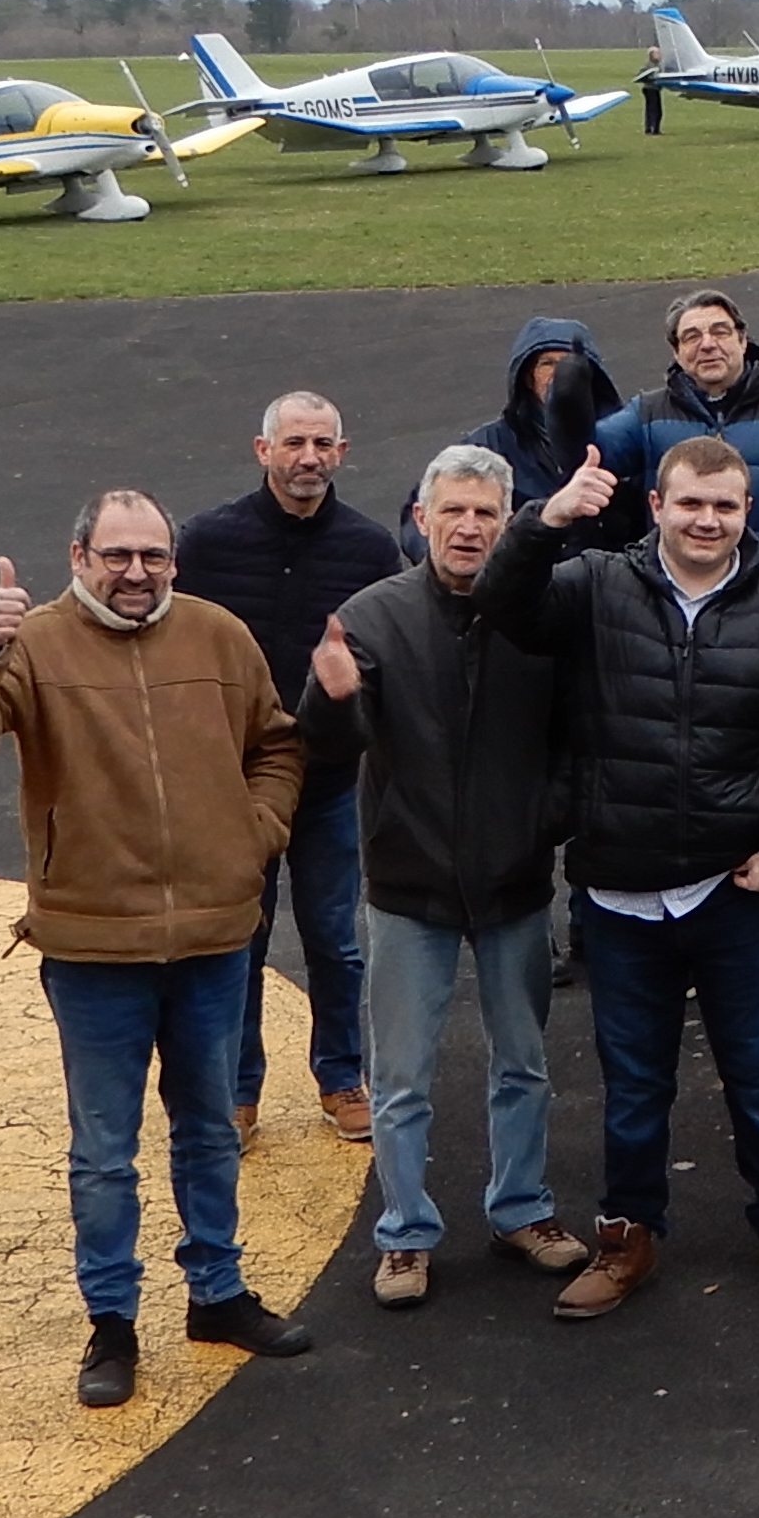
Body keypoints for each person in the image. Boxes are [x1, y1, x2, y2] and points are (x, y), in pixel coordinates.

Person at [0, 490, 316, 1405]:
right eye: (117, 556)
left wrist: (254, 833)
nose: (136, 573)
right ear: (80, 554)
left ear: (175, 559)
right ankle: (113, 1323)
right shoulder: (34, 642)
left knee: (210, 1131)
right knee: (104, 1150)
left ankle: (217, 1293)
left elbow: (278, 744)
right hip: (94, 945)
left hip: (214, 938)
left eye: (154, 556)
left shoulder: (219, 636)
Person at [478, 437, 759, 1317]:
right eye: (691, 503)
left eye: (724, 507)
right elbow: (503, 605)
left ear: (745, 514)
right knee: (635, 1082)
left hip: (736, 892)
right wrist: (546, 521)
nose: (707, 521)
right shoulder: (595, 584)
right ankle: (627, 1235)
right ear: (656, 505)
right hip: (620, 892)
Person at [294, 448, 589, 1311]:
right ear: (421, 519)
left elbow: (576, 734)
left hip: (515, 880)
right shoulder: (372, 617)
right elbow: (333, 743)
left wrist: (548, 818)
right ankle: (405, 1234)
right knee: (401, 1078)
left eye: (485, 515)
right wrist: (334, 696)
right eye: (452, 512)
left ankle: (522, 1208)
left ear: (509, 523)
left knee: (524, 1062)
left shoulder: (539, 614)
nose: (468, 528)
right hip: (408, 883)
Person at [175, 390, 403, 1146]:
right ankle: (239, 1091)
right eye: (294, 443)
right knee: (239, 932)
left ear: (343, 452)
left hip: (329, 777)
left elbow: (388, 658)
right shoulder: (206, 543)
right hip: (235, 781)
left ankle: (341, 1078)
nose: (309, 458)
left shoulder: (370, 551)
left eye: (323, 444)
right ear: (262, 449)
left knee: (334, 936)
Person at [592, 291, 759, 572]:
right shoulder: (647, 413)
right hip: (676, 595)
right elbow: (586, 453)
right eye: (691, 337)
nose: (707, 345)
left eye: (720, 332)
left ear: (743, 341)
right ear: (676, 352)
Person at [408, 318, 619, 552]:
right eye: (547, 364)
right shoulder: (488, 445)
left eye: (570, 364)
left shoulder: (624, 436)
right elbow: (421, 511)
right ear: (528, 378)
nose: (560, 375)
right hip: (520, 579)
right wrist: (456, 567)